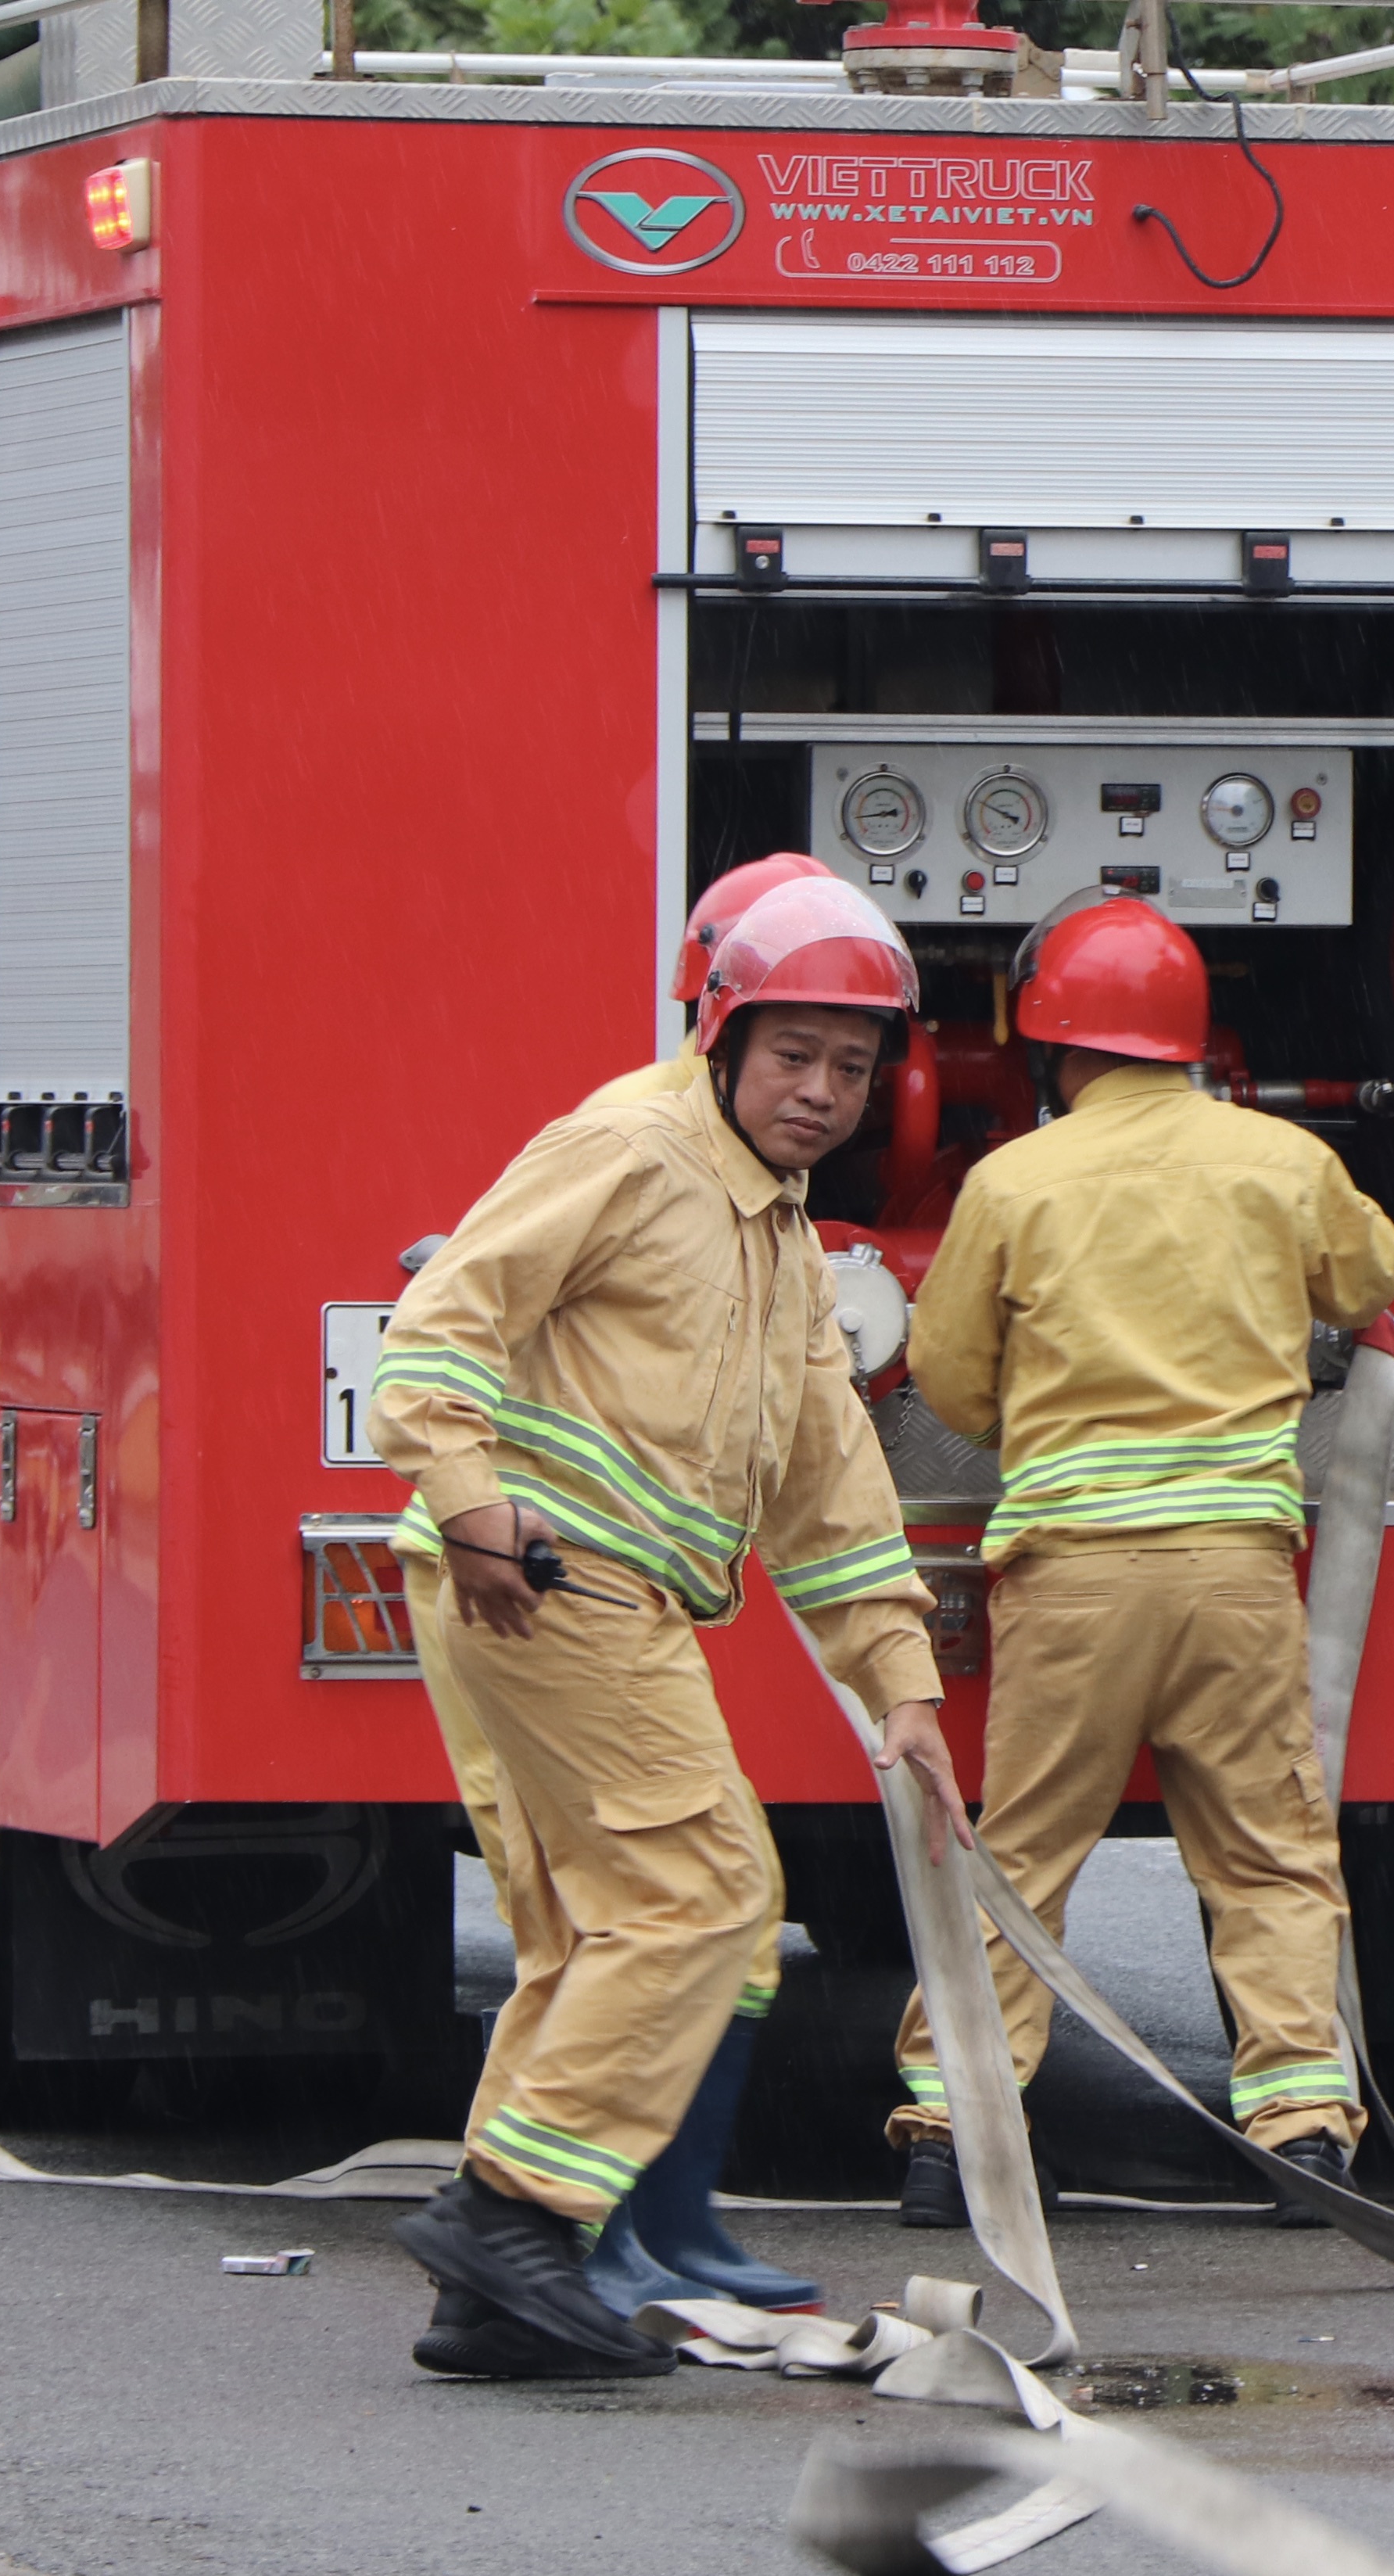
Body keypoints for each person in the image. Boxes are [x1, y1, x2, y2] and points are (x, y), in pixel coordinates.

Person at [372, 875, 953, 2378]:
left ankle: (492, 2298)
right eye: (794, 1059)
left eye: (852, 1067)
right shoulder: (630, 1148)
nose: (822, 1094)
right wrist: (470, 1500)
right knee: (702, 1889)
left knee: (595, 1924)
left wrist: (900, 1685)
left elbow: (828, 1483)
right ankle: (518, 2213)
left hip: (585, 1590)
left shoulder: (774, 1230)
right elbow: (438, 1326)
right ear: (722, 1035)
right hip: (542, 1578)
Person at [883, 895, 1394, 2219]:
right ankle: (1300, 2135)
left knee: (1019, 1853)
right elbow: (1373, 1279)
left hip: (1070, 1576)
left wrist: (1034, 1417)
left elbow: (944, 1375)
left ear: (1053, 1042)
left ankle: (953, 2132)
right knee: (1265, 1850)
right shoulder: (1278, 1160)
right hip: (1235, 1572)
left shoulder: (1009, 1183)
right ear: (1190, 1040)